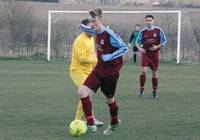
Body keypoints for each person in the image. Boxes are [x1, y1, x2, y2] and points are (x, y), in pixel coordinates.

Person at [79, 8, 128, 135]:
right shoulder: (96, 31)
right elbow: (89, 30)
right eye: (90, 21)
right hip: (98, 69)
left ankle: (114, 121)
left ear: (100, 20)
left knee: (109, 99)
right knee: (82, 92)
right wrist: (82, 27)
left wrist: (109, 57)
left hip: (110, 73)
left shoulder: (109, 33)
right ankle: (91, 124)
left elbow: (124, 47)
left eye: (93, 21)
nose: (92, 24)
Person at [70, 19, 103, 126]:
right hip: (77, 71)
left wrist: (95, 67)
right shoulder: (80, 40)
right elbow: (82, 59)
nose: (92, 28)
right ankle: (77, 120)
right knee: (86, 94)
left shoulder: (91, 38)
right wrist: (95, 60)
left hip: (88, 71)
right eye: (90, 26)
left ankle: (90, 119)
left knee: (87, 96)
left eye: (93, 26)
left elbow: (92, 55)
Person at [136, 15, 167, 99]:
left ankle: (154, 91)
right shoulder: (142, 31)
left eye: (150, 20)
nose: (149, 22)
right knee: (143, 71)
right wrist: (140, 49)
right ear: (145, 21)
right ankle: (141, 89)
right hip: (145, 53)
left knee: (154, 73)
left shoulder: (158, 30)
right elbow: (137, 42)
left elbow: (164, 41)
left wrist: (157, 47)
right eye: (147, 20)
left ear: (153, 21)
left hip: (155, 54)